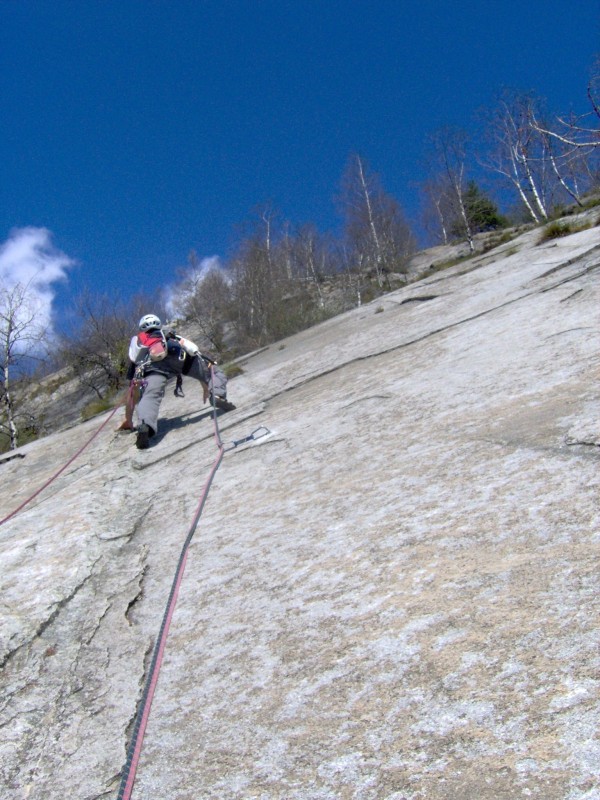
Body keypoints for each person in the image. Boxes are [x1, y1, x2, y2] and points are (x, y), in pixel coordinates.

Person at [120, 314, 235, 449]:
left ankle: (145, 425)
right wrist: (205, 385)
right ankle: (217, 394)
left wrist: (128, 419)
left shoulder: (140, 345)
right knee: (214, 372)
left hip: (154, 367)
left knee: (150, 395)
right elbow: (193, 352)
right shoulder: (169, 335)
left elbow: (132, 393)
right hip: (180, 358)